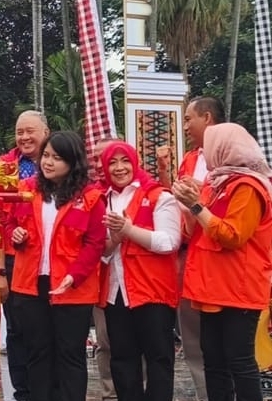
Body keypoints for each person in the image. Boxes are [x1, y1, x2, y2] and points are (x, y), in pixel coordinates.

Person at [172, 122, 272, 401]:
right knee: (213, 360)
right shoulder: (217, 184)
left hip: (239, 287)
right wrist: (189, 205)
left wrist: (196, 205)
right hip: (212, 287)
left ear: (225, 148)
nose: (205, 154)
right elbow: (194, 232)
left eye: (209, 147)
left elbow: (233, 236)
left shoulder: (248, 186)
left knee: (239, 360)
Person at [5, 131, 107, 401]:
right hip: (30, 283)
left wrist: (74, 275)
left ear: (73, 162)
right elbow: (8, 223)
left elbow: (94, 243)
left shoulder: (91, 196)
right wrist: (15, 234)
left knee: (70, 355)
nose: (48, 162)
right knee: (37, 353)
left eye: (57, 158)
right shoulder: (26, 189)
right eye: (46, 156)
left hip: (72, 286)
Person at [99, 141, 181, 401]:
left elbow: (169, 242)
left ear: (135, 163)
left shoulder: (159, 196)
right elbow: (100, 251)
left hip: (152, 290)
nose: (119, 168)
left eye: (125, 161)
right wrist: (114, 238)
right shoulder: (100, 199)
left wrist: (129, 230)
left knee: (159, 358)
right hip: (116, 291)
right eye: (112, 162)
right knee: (122, 359)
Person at [157, 96, 225, 401]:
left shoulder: (230, 157)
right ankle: (205, 393)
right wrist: (165, 175)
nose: (184, 126)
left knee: (227, 340)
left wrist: (200, 196)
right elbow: (178, 204)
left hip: (222, 259)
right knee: (194, 337)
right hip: (190, 257)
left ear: (207, 117)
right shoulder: (189, 159)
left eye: (188, 119)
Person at [0, 110, 50, 401]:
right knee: (17, 330)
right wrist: (0, 272)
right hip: (13, 258)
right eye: (20, 132)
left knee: (48, 329)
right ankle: (23, 393)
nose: (25, 137)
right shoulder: (2, 167)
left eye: (31, 131)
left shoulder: (60, 163)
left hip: (51, 258)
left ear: (46, 132)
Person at [91, 137, 121, 400]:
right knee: (105, 341)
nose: (101, 164)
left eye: (107, 157)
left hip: (136, 280)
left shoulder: (141, 192)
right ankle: (109, 393)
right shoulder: (89, 195)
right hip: (99, 279)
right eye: (96, 159)